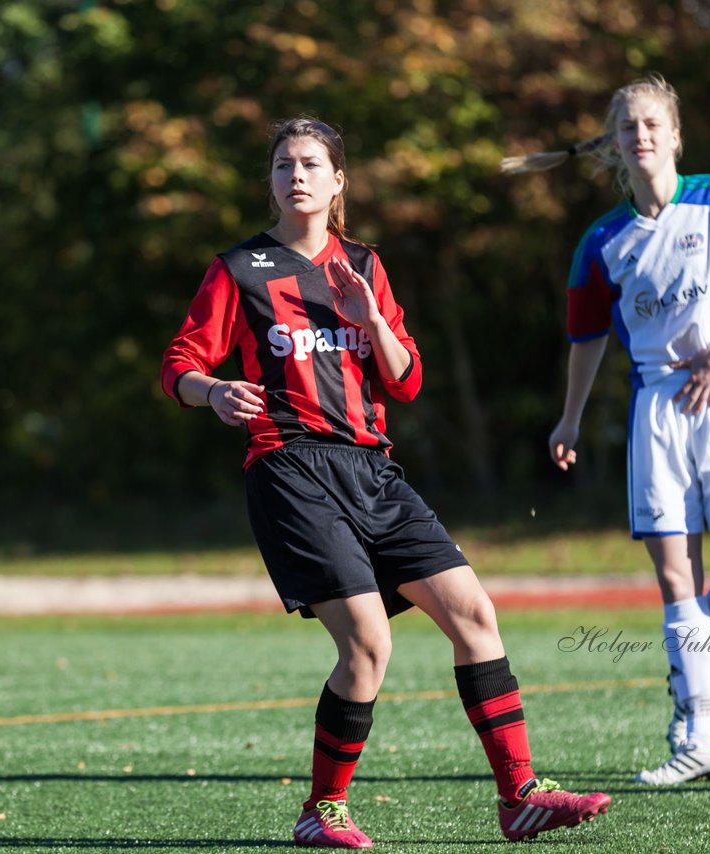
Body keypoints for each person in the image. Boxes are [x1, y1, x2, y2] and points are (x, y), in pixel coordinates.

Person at [162, 116, 611, 847]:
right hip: (290, 470)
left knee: (474, 613)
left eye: (310, 163)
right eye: (282, 165)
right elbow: (178, 364)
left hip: (373, 471)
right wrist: (211, 393)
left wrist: (372, 321)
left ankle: (519, 795)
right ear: (271, 182)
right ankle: (322, 810)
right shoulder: (239, 269)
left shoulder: (365, 267)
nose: (295, 175)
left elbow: (406, 382)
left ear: (339, 181)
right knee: (368, 644)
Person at [505, 75, 710, 785]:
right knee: (675, 576)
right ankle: (705, 735)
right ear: (615, 144)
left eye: (654, 123)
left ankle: (691, 681)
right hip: (656, 412)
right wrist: (569, 417)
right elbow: (587, 336)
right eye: (629, 126)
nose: (643, 135)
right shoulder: (603, 241)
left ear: (675, 133)